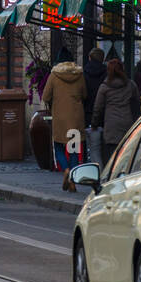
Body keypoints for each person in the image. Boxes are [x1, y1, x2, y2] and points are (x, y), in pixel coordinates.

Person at [42, 49, 87, 190]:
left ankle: (66, 170)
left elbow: (45, 96)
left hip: (60, 118)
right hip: (75, 118)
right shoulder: (79, 75)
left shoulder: (54, 75)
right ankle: (72, 179)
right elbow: (85, 94)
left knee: (58, 146)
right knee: (73, 149)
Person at [93, 58, 141, 168]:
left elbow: (98, 108)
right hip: (127, 123)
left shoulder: (104, 87)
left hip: (111, 125)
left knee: (111, 156)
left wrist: (95, 124)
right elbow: (137, 103)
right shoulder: (131, 85)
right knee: (125, 153)